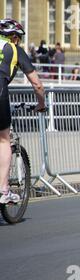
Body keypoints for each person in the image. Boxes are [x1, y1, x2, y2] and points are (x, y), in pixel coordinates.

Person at [0, 19, 46, 204]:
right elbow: (37, 84)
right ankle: (3, 189)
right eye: (18, 38)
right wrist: (41, 103)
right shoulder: (14, 49)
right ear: (14, 37)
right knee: (3, 140)